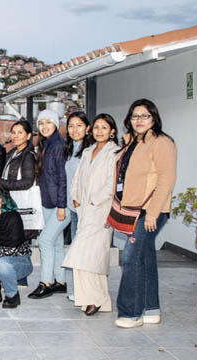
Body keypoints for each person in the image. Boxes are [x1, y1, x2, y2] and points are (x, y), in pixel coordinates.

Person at [113, 99, 176, 329]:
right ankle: (151, 308)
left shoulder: (162, 142)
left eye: (144, 116)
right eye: (134, 116)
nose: (139, 120)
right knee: (145, 258)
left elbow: (166, 179)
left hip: (149, 211)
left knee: (130, 257)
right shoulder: (131, 142)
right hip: (131, 209)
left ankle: (131, 312)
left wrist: (152, 213)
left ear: (154, 118)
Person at [62, 113, 119, 316]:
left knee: (84, 254)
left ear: (112, 131)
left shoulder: (116, 153)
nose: (99, 131)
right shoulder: (87, 151)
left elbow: (113, 183)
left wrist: (96, 200)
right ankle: (100, 300)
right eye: (96, 128)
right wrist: (75, 197)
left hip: (102, 211)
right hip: (84, 209)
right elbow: (77, 178)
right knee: (91, 256)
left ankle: (93, 298)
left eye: (104, 128)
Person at [28, 109, 70, 299]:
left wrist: (62, 206)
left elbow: (62, 178)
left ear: (56, 124)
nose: (44, 127)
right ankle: (61, 281)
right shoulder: (46, 144)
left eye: (48, 123)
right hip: (48, 201)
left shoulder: (58, 146)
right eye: (41, 123)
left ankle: (46, 282)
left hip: (60, 204)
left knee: (45, 240)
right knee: (57, 243)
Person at [63, 112, 93, 301]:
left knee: (83, 250)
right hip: (72, 208)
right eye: (71, 126)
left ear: (87, 128)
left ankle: (85, 291)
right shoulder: (69, 149)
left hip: (84, 208)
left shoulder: (90, 151)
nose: (75, 129)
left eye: (79, 125)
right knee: (75, 248)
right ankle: (77, 289)